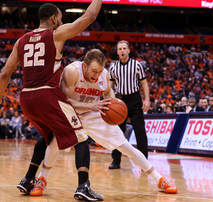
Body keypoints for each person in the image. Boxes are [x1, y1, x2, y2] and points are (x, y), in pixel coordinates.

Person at [0, 0, 106, 201]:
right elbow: (89, 17)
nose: (61, 21)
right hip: (47, 94)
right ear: (54, 19)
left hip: (26, 99)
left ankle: (28, 179)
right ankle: (83, 186)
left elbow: (4, 73)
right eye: (60, 18)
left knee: (49, 135)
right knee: (81, 137)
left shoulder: (21, 41)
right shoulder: (55, 35)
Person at [59, 49, 177, 193]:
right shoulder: (72, 71)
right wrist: (89, 105)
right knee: (51, 144)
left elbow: (108, 92)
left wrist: (111, 104)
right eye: (94, 71)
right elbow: (64, 101)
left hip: (94, 112)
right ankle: (40, 178)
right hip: (70, 113)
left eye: (100, 71)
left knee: (125, 146)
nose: (97, 75)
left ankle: (159, 179)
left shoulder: (104, 75)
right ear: (85, 66)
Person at [108, 40, 150, 169]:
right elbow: (110, 86)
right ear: (117, 51)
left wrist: (147, 99)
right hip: (120, 100)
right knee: (118, 132)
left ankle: (144, 162)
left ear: (128, 50)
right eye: (119, 49)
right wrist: (111, 101)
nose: (121, 51)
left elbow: (144, 83)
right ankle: (116, 160)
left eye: (124, 48)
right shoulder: (113, 67)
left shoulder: (136, 65)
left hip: (134, 99)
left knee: (139, 130)